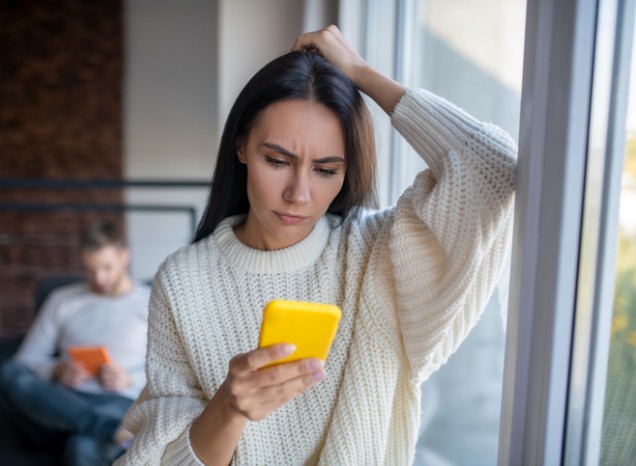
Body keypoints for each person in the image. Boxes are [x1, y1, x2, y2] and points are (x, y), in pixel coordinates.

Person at [114, 25, 517, 466]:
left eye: (326, 170)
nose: (298, 194)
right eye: (277, 161)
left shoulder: (379, 256)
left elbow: (491, 166)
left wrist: (360, 73)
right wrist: (228, 407)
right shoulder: (184, 281)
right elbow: (163, 459)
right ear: (241, 147)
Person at [0, 220, 151, 466]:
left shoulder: (150, 302)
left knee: (81, 445)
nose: (99, 278)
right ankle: (110, 430)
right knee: (8, 372)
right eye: (90, 270)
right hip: (61, 401)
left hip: (119, 400)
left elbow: (171, 371)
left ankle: (100, 427)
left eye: (107, 268)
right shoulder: (62, 300)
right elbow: (26, 361)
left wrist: (129, 379)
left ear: (124, 256)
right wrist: (56, 370)